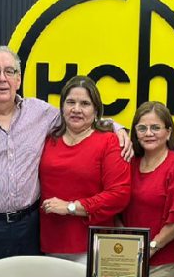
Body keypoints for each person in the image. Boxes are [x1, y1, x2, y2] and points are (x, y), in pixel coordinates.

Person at [0, 46, 131, 266]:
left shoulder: (40, 113)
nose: (2, 78)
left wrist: (118, 128)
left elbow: (79, 118)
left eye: (9, 71)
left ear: (18, 79)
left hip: (29, 228)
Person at [38, 76, 131, 263]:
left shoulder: (109, 142)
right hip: (50, 243)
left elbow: (119, 194)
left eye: (85, 104)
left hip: (91, 245)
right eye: (70, 102)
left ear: (96, 110)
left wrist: (70, 207)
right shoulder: (48, 140)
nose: (76, 109)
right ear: (62, 107)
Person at [119, 101, 174, 277]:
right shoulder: (130, 163)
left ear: (169, 132)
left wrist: (151, 248)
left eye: (156, 128)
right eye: (142, 128)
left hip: (163, 259)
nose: (148, 133)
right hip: (129, 257)